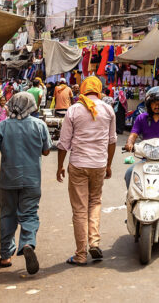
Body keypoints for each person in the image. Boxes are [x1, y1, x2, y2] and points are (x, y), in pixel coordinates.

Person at [0, 92, 52, 274]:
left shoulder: (3, 126)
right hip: (32, 180)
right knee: (29, 215)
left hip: (7, 180)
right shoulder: (39, 125)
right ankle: (27, 243)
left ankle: (5, 256)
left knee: (7, 216)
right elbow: (46, 151)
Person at [57, 77, 117, 266]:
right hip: (99, 164)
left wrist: (60, 165)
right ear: (98, 89)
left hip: (78, 164)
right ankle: (94, 241)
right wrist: (108, 165)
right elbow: (112, 140)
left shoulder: (74, 109)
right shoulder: (108, 109)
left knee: (80, 209)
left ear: (83, 89)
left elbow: (64, 142)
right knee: (95, 202)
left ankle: (81, 254)